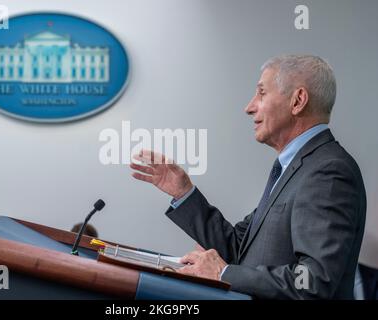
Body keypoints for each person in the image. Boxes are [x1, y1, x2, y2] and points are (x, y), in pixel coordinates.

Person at [130, 55, 366, 299]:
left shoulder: (328, 172)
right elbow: (238, 247)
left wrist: (224, 274)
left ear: (298, 101)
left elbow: (312, 281)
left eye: (261, 93)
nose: (249, 107)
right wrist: (183, 192)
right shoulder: (293, 169)